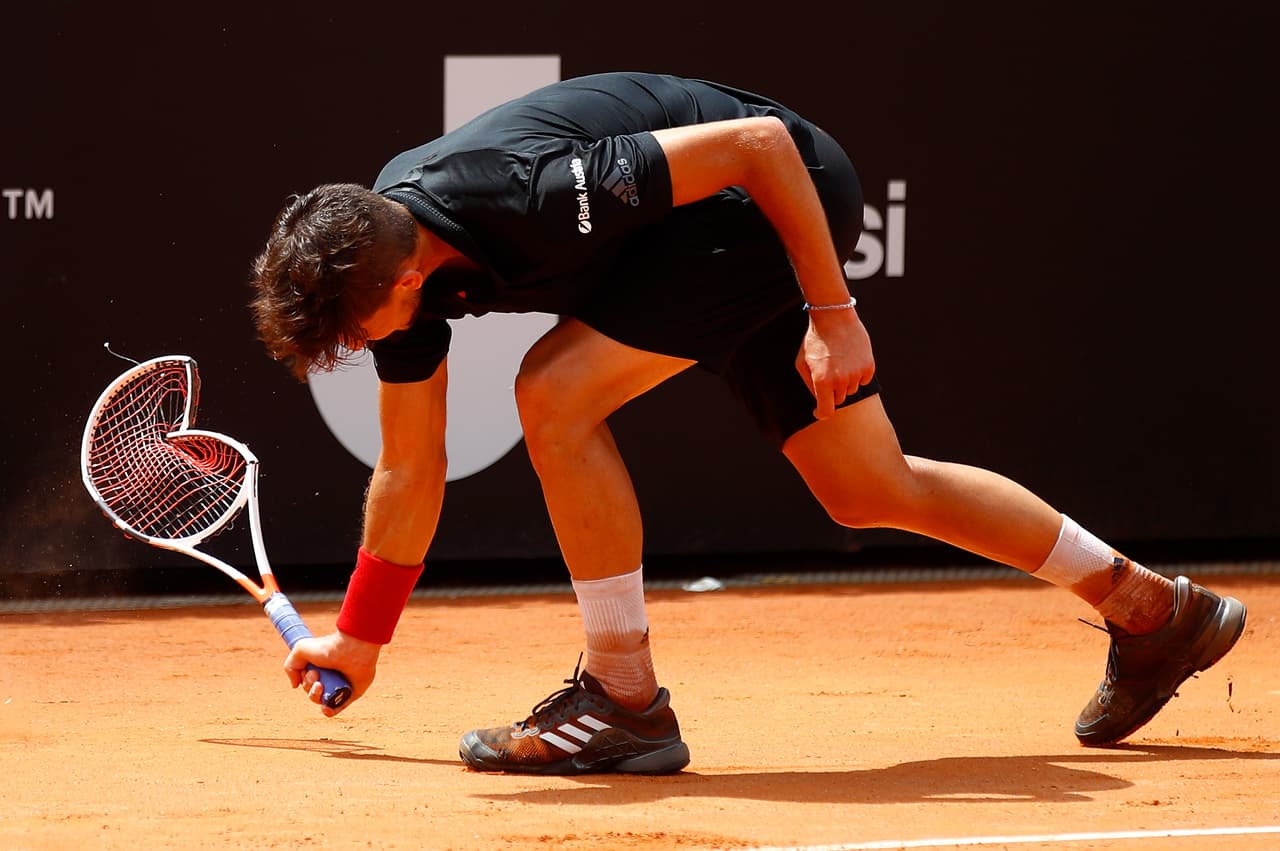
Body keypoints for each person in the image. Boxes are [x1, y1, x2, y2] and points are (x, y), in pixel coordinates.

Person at [248, 71, 1246, 774]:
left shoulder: (524, 196)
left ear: (404, 274)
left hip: (772, 197)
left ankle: (622, 699)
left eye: (344, 331)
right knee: (868, 483)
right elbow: (409, 465)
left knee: (551, 391)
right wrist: (362, 637)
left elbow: (759, 147)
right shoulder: (397, 278)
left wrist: (831, 312)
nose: (342, 350)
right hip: (679, 253)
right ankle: (1154, 610)